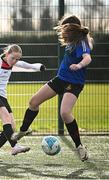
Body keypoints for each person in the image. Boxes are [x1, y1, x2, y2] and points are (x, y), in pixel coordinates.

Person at [12, 15, 94, 162]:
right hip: (60, 80)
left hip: (74, 83)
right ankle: (23, 131)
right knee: (33, 102)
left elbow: (87, 58)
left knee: (65, 113)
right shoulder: (71, 41)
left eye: (64, 29)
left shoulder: (82, 42)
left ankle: (79, 147)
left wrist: (79, 65)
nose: (63, 32)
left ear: (71, 29)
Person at [0, 44, 45, 162]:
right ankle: (15, 146)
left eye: (17, 59)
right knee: (6, 118)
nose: (15, 61)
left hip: (2, 97)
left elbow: (26, 65)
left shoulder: (12, 62)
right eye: (13, 58)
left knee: (12, 127)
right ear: (7, 54)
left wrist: (39, 67)